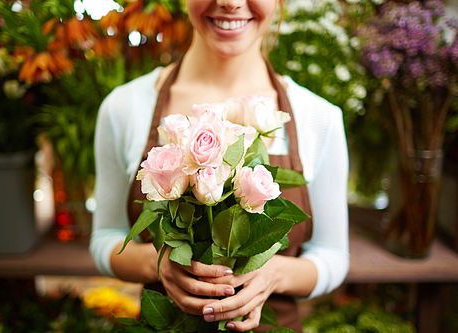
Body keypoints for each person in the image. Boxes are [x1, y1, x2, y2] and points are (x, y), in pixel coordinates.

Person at [90, 0, 350, 332]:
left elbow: (332, 256)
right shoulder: (124, 108)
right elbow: (105, 239)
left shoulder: (319, 118)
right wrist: (158, 265)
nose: (230, 2)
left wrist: (274, 273)